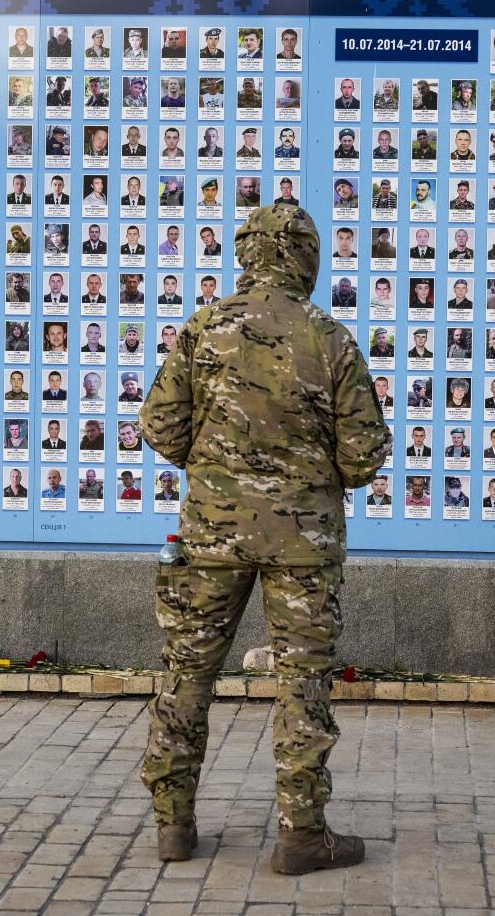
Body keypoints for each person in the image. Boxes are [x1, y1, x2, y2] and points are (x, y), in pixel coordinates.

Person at [138, 200, 390, 875]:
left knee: (186, 672)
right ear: (306, 256)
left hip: (211, 534)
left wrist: (220, 468)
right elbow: (365, 455)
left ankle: (174, 825)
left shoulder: (203, 328)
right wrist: (306, 471)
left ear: (247, 253)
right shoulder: (327, 337)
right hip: (302, 543)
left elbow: (159, 425)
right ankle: (301, 834)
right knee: (301, 682)